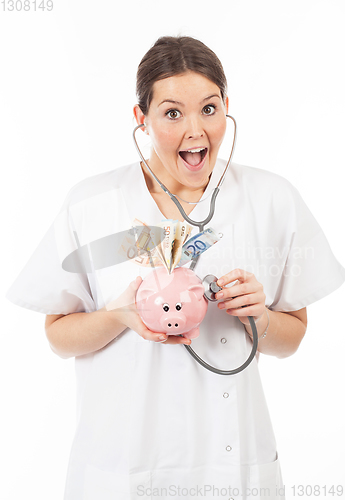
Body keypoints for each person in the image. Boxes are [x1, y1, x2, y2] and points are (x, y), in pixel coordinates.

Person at [7, 36, 345, 500]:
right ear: (140, 118)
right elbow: (58, 336)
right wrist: (120, 316)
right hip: (122, 467)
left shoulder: (271, 199)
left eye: (209, 109)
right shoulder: (94, 204)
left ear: (227, 105)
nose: (195, 131)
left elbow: (292, 339)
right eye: (171, 113)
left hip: (232, 464)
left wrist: (259, 318)